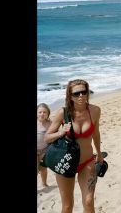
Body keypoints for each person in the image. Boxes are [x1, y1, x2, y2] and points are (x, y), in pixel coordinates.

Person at [45, 79, 104, 213]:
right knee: (67, 206)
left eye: (84, 92)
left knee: (89, 202)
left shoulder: (95, 110)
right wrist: (61, 132)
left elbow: (96, 133)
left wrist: (99, 153)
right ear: (70, 96)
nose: (81, 96)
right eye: (76, 94)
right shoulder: (63, 113)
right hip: (66, 163)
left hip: (87, 161)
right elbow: (47, 137)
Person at [37, 103, 52, 188]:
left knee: (43, 169)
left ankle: (44, 183)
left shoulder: (50, 124)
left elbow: (53, 137)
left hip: (45, 150)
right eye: (40, 112)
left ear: (48, 113)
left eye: (44, 112)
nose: (42, 114)